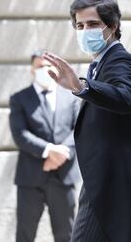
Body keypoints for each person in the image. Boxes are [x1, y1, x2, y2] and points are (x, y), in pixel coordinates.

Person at [42, 0, 131, 242]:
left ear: (112, 27)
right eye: (79, 25)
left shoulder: (120, 61)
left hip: (118, 185)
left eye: (93, 24)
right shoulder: (100, 65)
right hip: (106, 184)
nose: (84, 30)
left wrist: (81, 87)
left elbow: (126, 98)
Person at [9, 50, 80, 242]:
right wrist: (49, 151)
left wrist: (61, 154)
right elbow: (20, 134)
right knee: (25, 234)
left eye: (48, 65)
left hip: (63, 177)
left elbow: (79, 130)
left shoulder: (71, 97)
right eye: (40, 66)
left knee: (68, 234)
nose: (44, 70)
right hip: (30, 179)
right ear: (32, 70)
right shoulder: (19, 99)